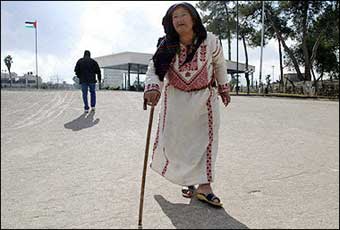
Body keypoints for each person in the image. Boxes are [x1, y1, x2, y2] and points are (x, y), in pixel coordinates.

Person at [143, 2, 231, 208]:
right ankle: (189, 182)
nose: (180, 19)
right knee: (179, 143)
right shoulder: (167, 45)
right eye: (175, 17)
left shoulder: (210, 41)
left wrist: (224, 87)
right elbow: (154, 69)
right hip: (176, 100)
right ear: (170, 22)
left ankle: (205, 186)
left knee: (207, 141)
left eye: (184, 14)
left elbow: (219, 64)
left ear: (193, 18)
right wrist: (153, 87)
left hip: (205, 100)